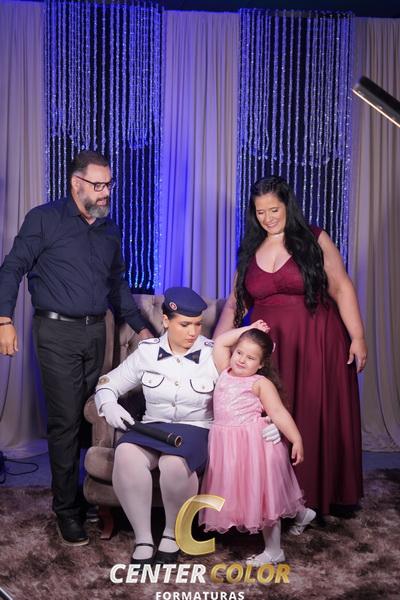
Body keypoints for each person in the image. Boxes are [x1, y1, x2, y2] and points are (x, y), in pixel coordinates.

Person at [0, 150, 152, 546]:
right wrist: (3, 320)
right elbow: (12, 268)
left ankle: (88, 497)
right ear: (76, 184)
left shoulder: (109, 229)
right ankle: (66, 511)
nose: (105, 192)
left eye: (109, 185)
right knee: (65, 421)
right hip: (56, 334)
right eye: (98, 185)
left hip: (95, 334)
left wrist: (143, 330)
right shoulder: (44, 219)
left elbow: (118, 287)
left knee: (90, 417)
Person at [214, 175, 367, 517]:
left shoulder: (314, 238)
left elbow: (341, 286)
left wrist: (357, 336)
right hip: (271, 348)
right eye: (260, 212)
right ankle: (277, 498)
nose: (268, 218)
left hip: (317, 342)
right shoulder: (250, 249)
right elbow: (235, 303)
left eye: (274, 210)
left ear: (287, 206)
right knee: (276, 412)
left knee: (313, 409)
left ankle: (318, 496)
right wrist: (215, 347)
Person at [95, 287, 280, 567]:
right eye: (184, 324)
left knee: (173, 463)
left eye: (197, 324)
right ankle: (143, 538)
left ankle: (172, 533)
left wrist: (270, 421)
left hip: (195, 429)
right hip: (152, 427)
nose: (193, 332)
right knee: (126, 455)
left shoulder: (213, 353)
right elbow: (108, 384)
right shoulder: (146, 352)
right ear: (166, 321)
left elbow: (248, 390)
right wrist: (108, 404)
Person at [199, 322, 316, 565]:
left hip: (255, 446)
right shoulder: (224, 371)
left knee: (264, 497)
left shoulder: (260, 383)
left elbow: (278, 412)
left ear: (261, 364)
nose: (242, 360)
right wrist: (250, 328)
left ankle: (274, 551)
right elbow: (220, 342)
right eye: (239, 352)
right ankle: (303, 514)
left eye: (251, 358)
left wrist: (296, 439)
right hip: (227, 445)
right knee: (244, 491)